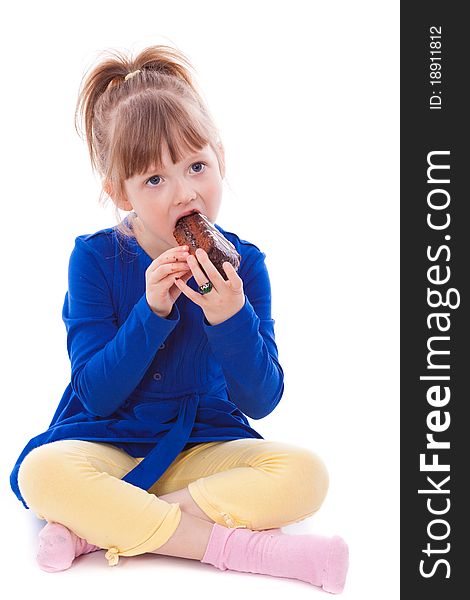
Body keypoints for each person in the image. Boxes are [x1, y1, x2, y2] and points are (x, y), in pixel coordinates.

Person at [10, 44, 349, 593]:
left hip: (202, 445)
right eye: (154, 180)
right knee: (42, 472)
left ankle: (94, 531)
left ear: (221, 158)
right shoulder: (95, 259)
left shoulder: (246, 265)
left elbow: (260, 399)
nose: (186, 192)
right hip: (109, 443)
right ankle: (236, 549)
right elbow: (96, 394)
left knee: (306, 474)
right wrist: (152, 311)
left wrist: (231, 317)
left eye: (197, 166)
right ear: (118, 192)